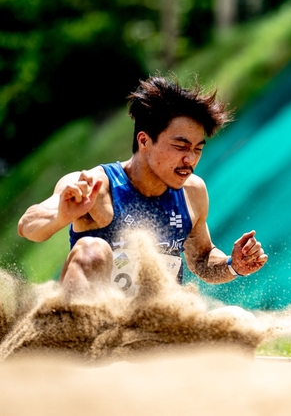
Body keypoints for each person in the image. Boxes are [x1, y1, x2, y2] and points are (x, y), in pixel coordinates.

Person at [17, 74, 268, 295]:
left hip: (155, 324)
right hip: (95, 323)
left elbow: (202, 259)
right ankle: (69, 332)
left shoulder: (193, 191)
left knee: (237, 319)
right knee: (91, 249)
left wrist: (233, 265)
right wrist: (61, 216)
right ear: (144, 141)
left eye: (197, 149)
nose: (190, 160)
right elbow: (28, 225)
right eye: (180, 147)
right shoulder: (95, 186)